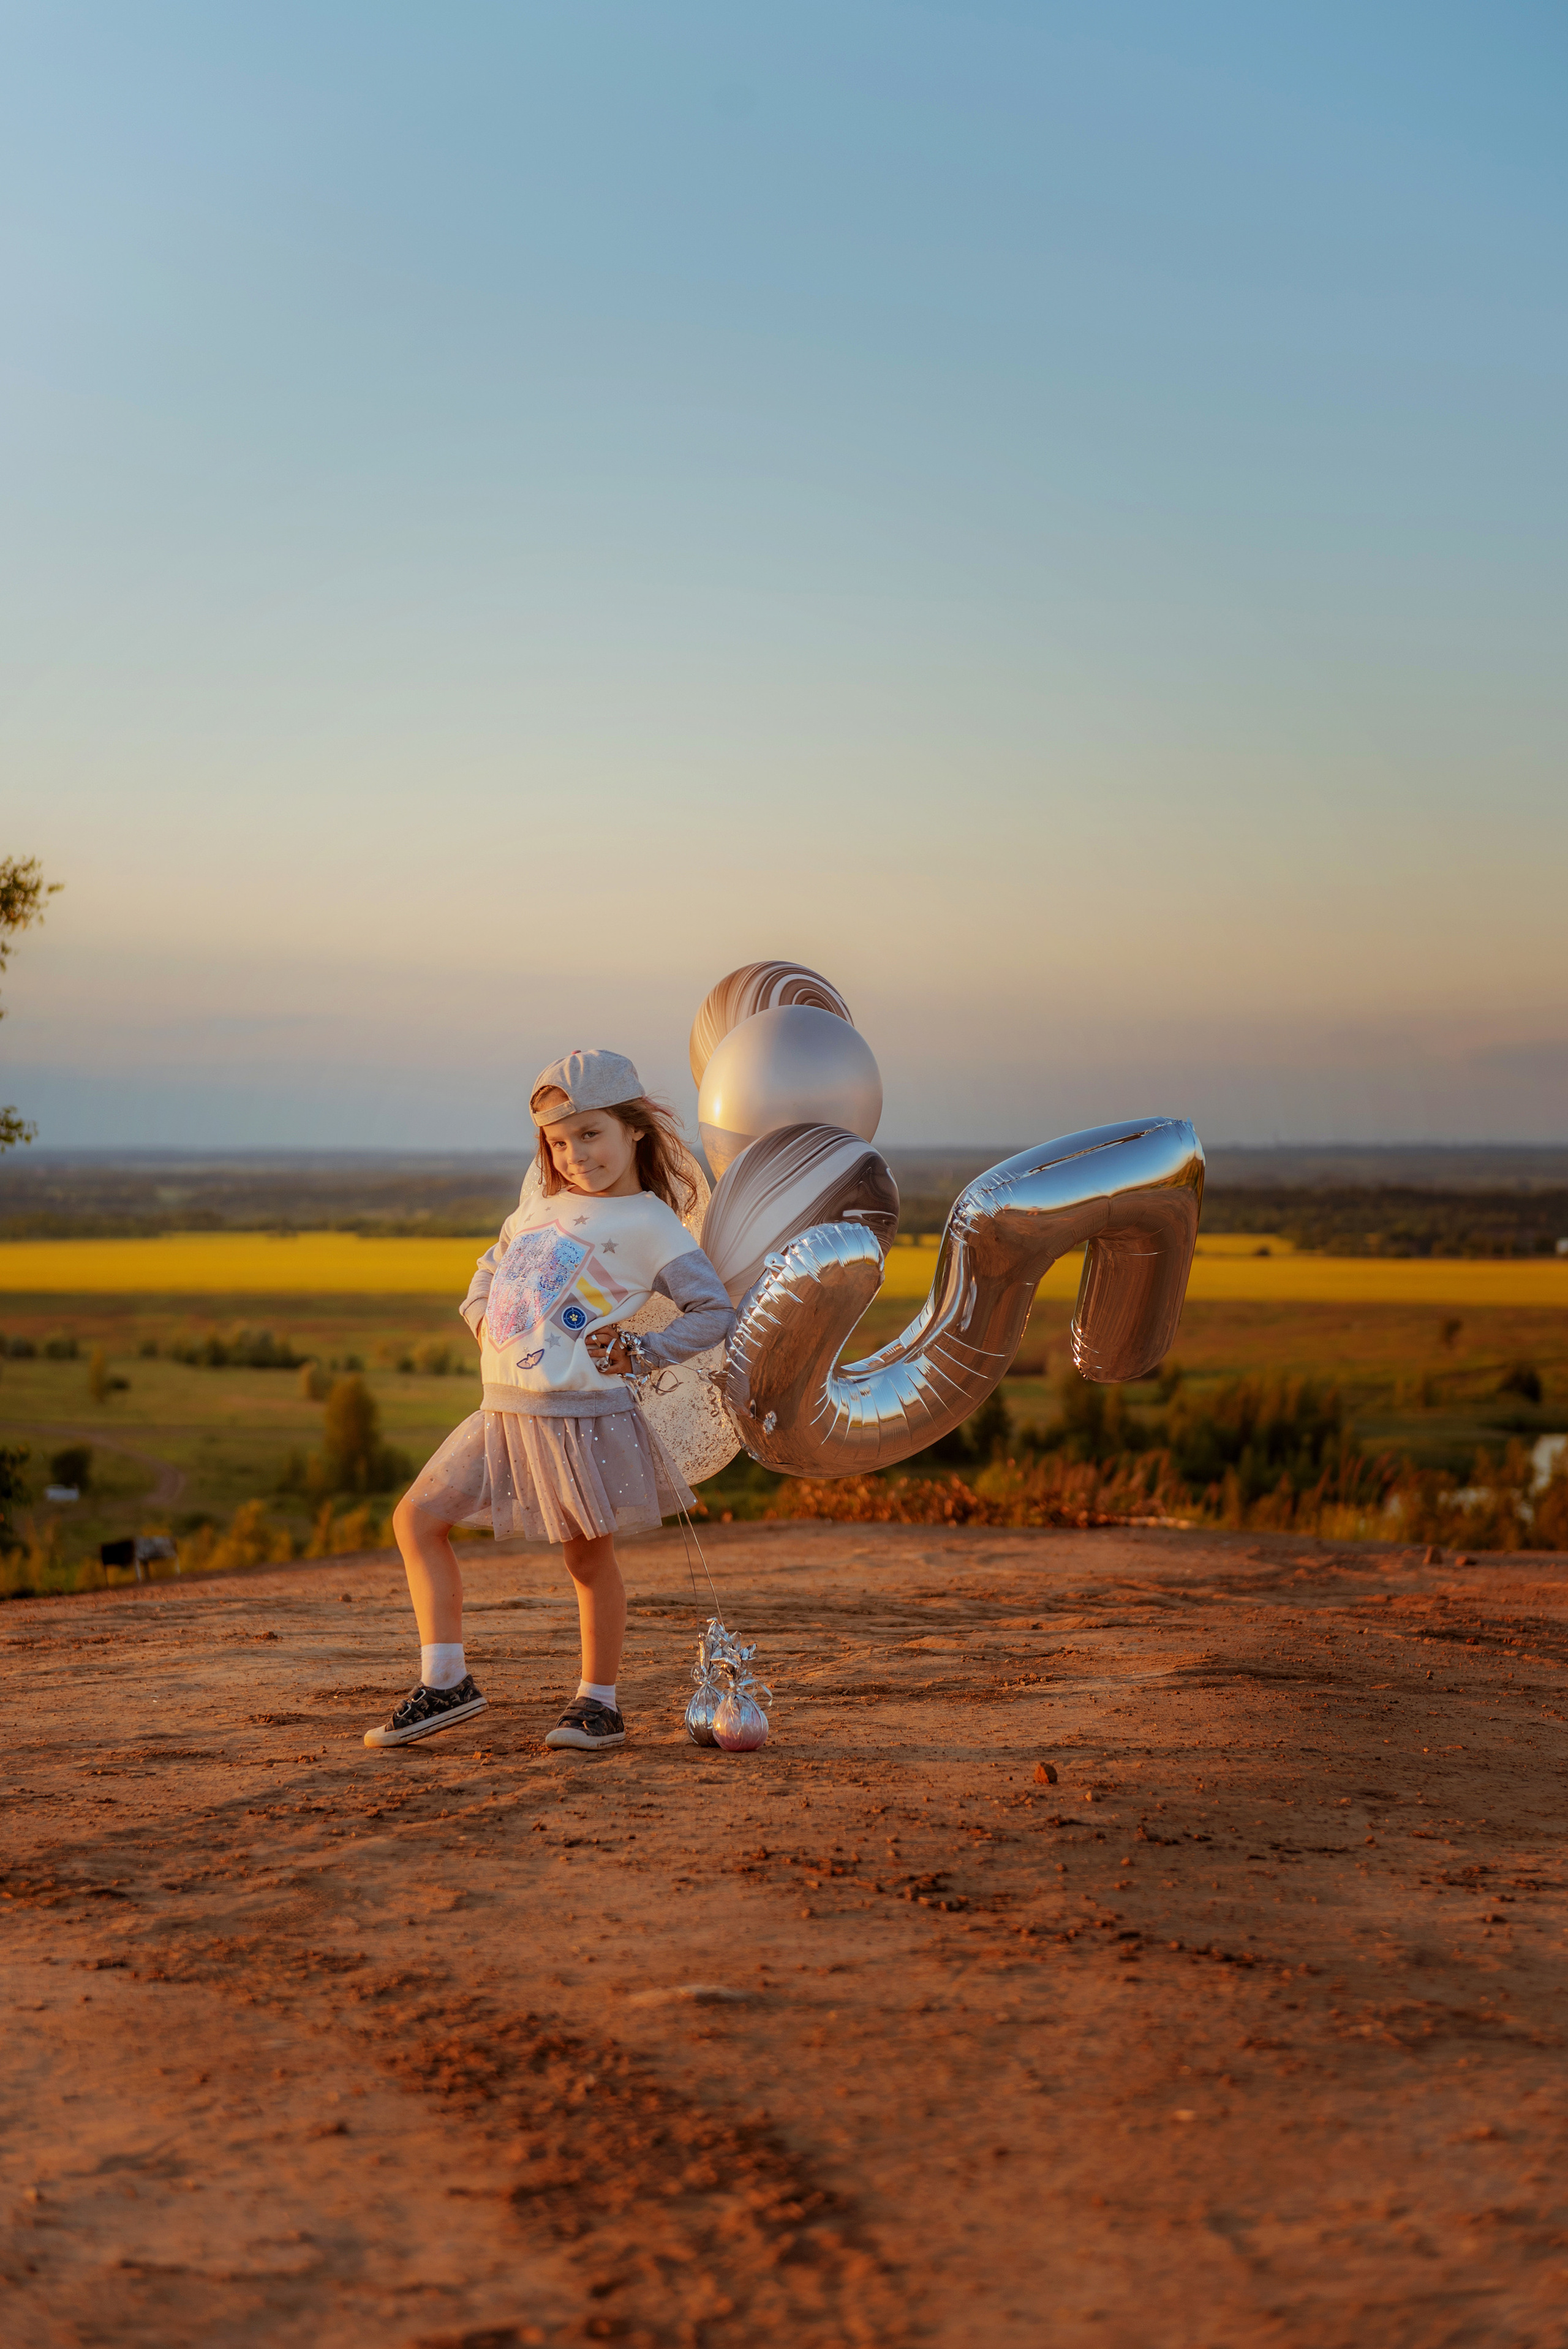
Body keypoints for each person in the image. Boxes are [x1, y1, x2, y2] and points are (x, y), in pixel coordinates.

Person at [364, 1049, 735, 1754]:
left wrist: (641, 1352)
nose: (574, 1154)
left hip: (581, 1416)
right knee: (416, 1520)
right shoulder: (538, 1204)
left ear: (635, 1131)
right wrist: (482, 1320)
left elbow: (711, 1310)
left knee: (586, 1562)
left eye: (590, 1134)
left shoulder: (651, 1223)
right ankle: (447, 1683)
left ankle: (599, 1704)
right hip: (502, 1408)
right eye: (559, 1142)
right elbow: (488, 1270)